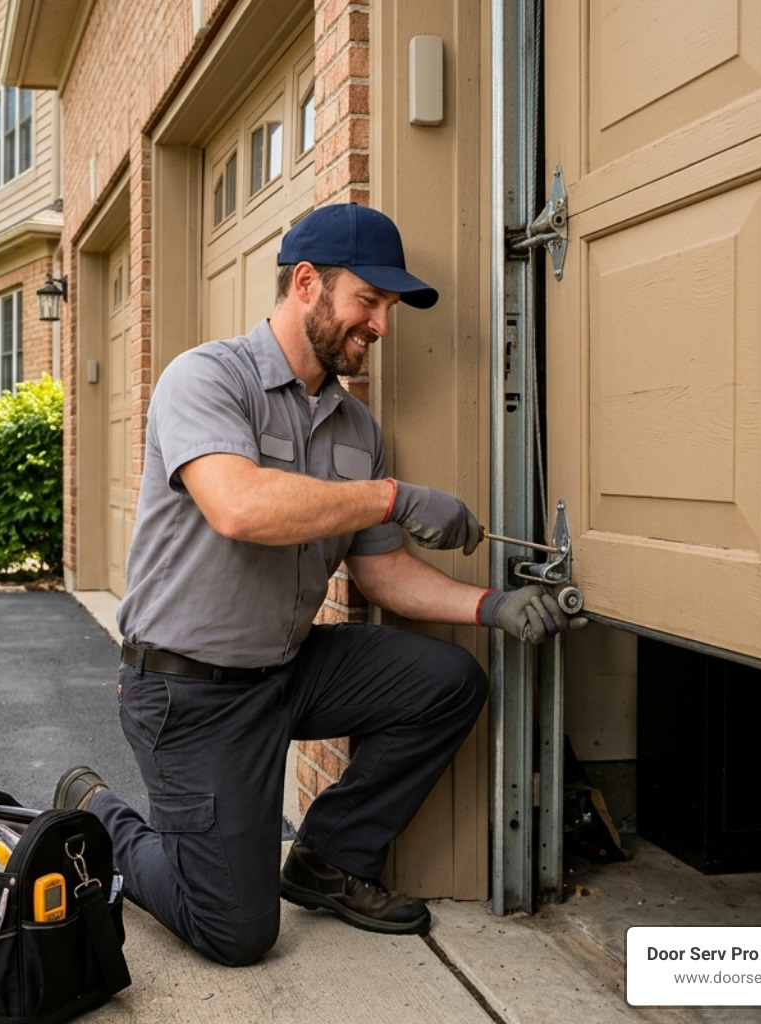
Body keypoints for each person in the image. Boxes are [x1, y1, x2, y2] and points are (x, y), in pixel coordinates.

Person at [54, 203, 582, 968]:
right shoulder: (205, 378)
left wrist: (491, 606)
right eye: (370, 302)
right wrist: (394, 497)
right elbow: (239, 507)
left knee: (446, 680)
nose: (382, 327)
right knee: (235, 933)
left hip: (288, 669)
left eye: (388, 309)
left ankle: (325, 860)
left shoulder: (356, 429)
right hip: (191, 694)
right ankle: (102, 817)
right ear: (307, 283)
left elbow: (381, 571)